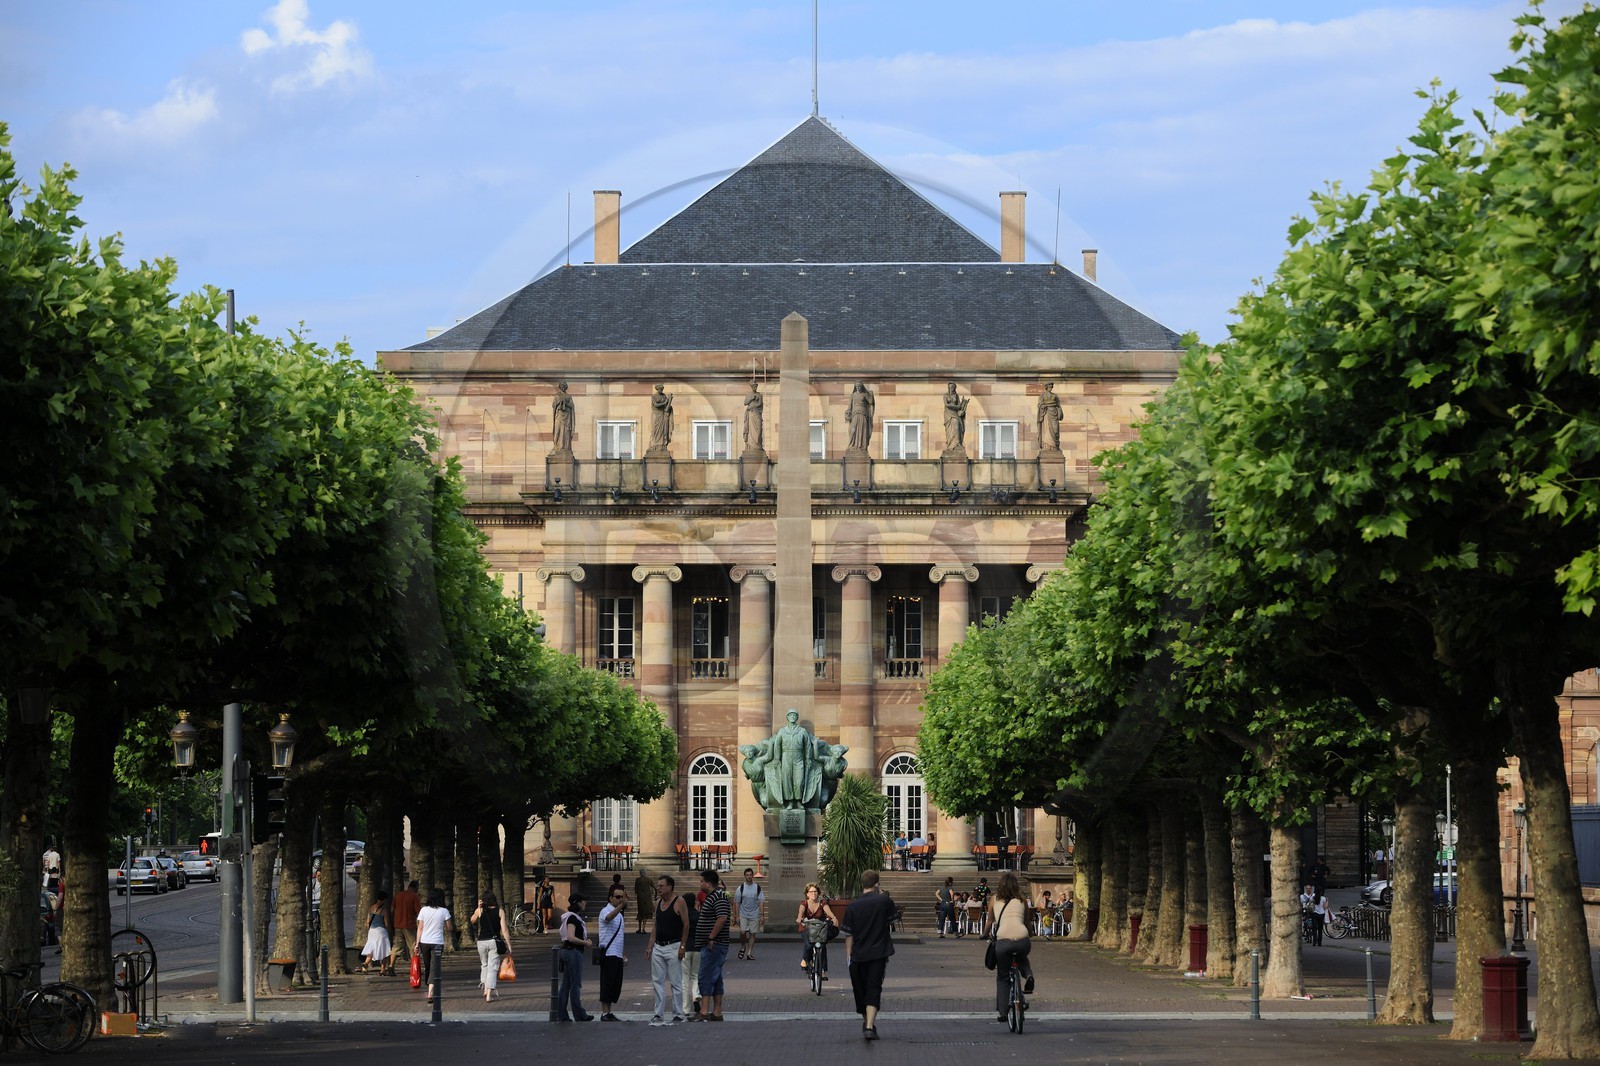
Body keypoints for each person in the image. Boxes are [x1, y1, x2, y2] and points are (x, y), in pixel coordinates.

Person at [842, 868, 896, 1041]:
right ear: (876, 884)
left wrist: (849, 957)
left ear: (862, 884)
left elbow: (848, 935)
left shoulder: (853, 906)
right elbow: (892, 921)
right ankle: (870, 1027)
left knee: (861, 990)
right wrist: (880, 894)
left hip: (858, 954)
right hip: (879, 952)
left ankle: (867, 1023)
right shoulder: (884, 901)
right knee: (874, 987)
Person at [989, 871, 1035, 1022]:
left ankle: (1003, 1012)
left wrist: (984, 934)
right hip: (1022, 939)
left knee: (1002, 976)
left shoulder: (994, 899)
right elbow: (1027, 923)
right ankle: (1028, 975)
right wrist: (1031, 933)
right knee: (1022, 956)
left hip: (1003, 941)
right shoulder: (1023, 900)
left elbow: (989, 921)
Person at [646, 873, 689, 1025]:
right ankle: (658, 1014)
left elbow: (686, 924)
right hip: (659, 946)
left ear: (670, 887)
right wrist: (650, 945)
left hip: (674, 946)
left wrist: (683, 946)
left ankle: (678, 1013)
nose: (658, 888)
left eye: (661, 886)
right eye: (658, 886)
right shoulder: (658, 903)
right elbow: (656, 925)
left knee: (676, 982)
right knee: (657, 981)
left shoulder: (679, 902)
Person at [690, 869, 730, 1022]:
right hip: (713, 945)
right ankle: (717, 1012)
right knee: (716, 978)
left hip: (714, 945)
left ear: (708, 883)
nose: (700, 884)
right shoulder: (713, 897)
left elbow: (722, 918)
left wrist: (711, 937)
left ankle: (705, 1011)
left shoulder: (718, 897)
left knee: (705, 976)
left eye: (701, 881)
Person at [556, 893, 595, 1022]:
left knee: (566, 984)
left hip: (567, 951)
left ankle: (562, 1014)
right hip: (573, 952)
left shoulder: (570, 917)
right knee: (575, 984)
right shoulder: (573, 918)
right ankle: (579, 1014)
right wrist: (586, 943)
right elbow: (571, 937)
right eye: (584, 901)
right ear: (578, 902)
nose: (586, 903)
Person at [470, 890, 511, 1003]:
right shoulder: (500, 911)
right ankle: (488, 993)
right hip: (493, 942)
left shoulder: (481, 911)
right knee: (493, 967)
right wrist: (509, 945)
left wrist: (478, 908)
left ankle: (484, 986)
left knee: (484, 965)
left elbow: (472, 920)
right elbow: (504, 930)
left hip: (481, 941)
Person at [795, 882, 840, 979]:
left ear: (818, 893)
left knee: (822, 946)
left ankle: (823, 971)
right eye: (811, 892)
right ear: (807, 894)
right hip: (806, 927)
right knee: (809, 944)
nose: (813, 893)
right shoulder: (804, 903)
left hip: (819, 928)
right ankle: (805, 960)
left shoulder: (822, 903)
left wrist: (834, 918)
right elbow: (800, 912)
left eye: (815, 891)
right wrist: (799, 919)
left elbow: (828, 911)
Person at [597, 885, 628, 1021]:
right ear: (610, 898)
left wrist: (622, 954)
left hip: (616, 953)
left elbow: (619, 936)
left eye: (622, 897)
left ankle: (609, 1012)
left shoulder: (620, 915)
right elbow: (608, 918)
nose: (620, 900)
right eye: (617, 897)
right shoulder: (605, 910)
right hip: (608, 953)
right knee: (607, 983)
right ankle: (605, 1012)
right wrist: (621, 906)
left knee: (615, 984)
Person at [416, 887, 452, 1004]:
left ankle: (430, 989)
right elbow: (449, 928)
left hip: (424, 941)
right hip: (437, 942)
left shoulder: (423, 910)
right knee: (434, 966)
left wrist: (417, 943)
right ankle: (431, 990)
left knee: (427, 965)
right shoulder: (444, 911)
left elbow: (420, 928)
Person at [680, 883, 704, 1019]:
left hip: (685, 948)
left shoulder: (683, 915)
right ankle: (696, 995)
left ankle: (685, 1008)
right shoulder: (699, 915)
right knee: (695, 975)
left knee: (684, 979)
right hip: (698, 948)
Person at [389, 879, 421, 972]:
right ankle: (414, 968)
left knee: (397, 945)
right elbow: (418, 912)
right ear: (416, 888)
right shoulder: (414, 896)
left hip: (398, 924)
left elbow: (392, 910)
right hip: (409, 924)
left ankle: (391, 966)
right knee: (413, 946)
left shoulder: (398, 895)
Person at [359, 890, 393, 975]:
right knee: (384, 950)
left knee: (372, 948)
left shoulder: (371, 908)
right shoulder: (384, 910)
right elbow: (386, 924)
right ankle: (382, 969)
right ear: (384, 899)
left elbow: (367, 922)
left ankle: (365, 964)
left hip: (372, 931)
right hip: (381, 931)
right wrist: (389, 931)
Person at [733, 868, 764, 960]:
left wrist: (762, 915)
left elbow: (761, 901)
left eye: (750, 875)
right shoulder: (741, 888)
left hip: (754, 913)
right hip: (743, 913)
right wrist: (736, 915)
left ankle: (749, 953)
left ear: (752, 875)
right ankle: (743, 946)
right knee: (742, 932)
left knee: (752, 933)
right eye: (747, 875)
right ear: (744, 876)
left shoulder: (757, 887)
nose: (749, 876)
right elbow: (737, 902)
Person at [846, 381, 875, 452]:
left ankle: (861, 446)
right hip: (855, 414)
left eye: (859, 386)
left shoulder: (864, 394)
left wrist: (870, 393)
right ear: (855, 387)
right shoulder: (853, 395)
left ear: (862, 387)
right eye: (857, 387)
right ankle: (852, 445)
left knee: (863, 430)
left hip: (863, 414)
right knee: (853, 430)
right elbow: (850, 405)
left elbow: (871, 402)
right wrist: (848, 411)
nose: (858, 388)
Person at [942, 381, 968, 452]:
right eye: (950, 387)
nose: (951, 388)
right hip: (948, 414)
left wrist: (962, 409)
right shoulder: (946, 395)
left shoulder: (956, 395)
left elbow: (960, 405)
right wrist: (957, 407)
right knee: (949, 429)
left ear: (954, 388)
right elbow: (947, 405)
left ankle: (957, 444)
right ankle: (950, 445)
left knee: (957, 426)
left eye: (953, 387)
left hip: (955, 414)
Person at [1036, 381, 1062, 451]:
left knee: (1055, 430)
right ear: (1046, 387)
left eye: (1051, 387)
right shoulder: (1043, 395)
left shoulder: (1055, 395)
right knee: (1047, 430)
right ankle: (1047, 446)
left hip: (1054, 413)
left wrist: (1060, 411)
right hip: (1046, 413)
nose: (1050, 388)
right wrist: (1043, 406)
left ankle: (1055, 446)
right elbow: (1039, 404)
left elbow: (1058, 404)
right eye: (1049, 387)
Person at [550, 381, 575, 453]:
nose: (563, 387)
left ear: (566, 387)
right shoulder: (557, 396)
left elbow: (572, 406)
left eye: (564, 386)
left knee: (565, 432)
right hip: (559, 416)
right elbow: (553, 405)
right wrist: (558, 403)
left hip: (567, 417)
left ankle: (565, 447)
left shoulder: (569, 397)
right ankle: (556, 446)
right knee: (557, 431)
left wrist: (566, 404)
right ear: (560, 387)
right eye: (561, 386)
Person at [649, 383, 673, 450]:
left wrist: (670, 400)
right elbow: (656, 405)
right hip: (656, 415)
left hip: (662, 415)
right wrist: (665, 403)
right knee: (655, 430)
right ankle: (655, 445)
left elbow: (666, 407)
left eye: (662, 389)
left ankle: (661, 444)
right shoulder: (654, 396)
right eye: (660, 389)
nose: (661, 391)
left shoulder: (664, 396)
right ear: (657, 389)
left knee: (663, 429)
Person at [743, 380, 764, 452]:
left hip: (757, 413)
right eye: (754, 386)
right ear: (752, 387)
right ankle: (751, 446)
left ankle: (757, 444)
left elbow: (760, 404)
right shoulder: (748, 395)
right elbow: (745, 403)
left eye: (756, 386)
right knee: (751, 430)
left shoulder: (759, 395)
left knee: (758, 430)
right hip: (751, 414)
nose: (755, 387)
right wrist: (751, 398)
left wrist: (753, 406)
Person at [634, 868, 655, 933]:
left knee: (640, 912)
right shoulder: (649, 879)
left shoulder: (637, 880)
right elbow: (654, 887)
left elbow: (636, 889)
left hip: (640, 898)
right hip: (647, 898)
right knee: (646, 913)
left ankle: (639, 928)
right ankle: (643, 928)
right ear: (645, 873)